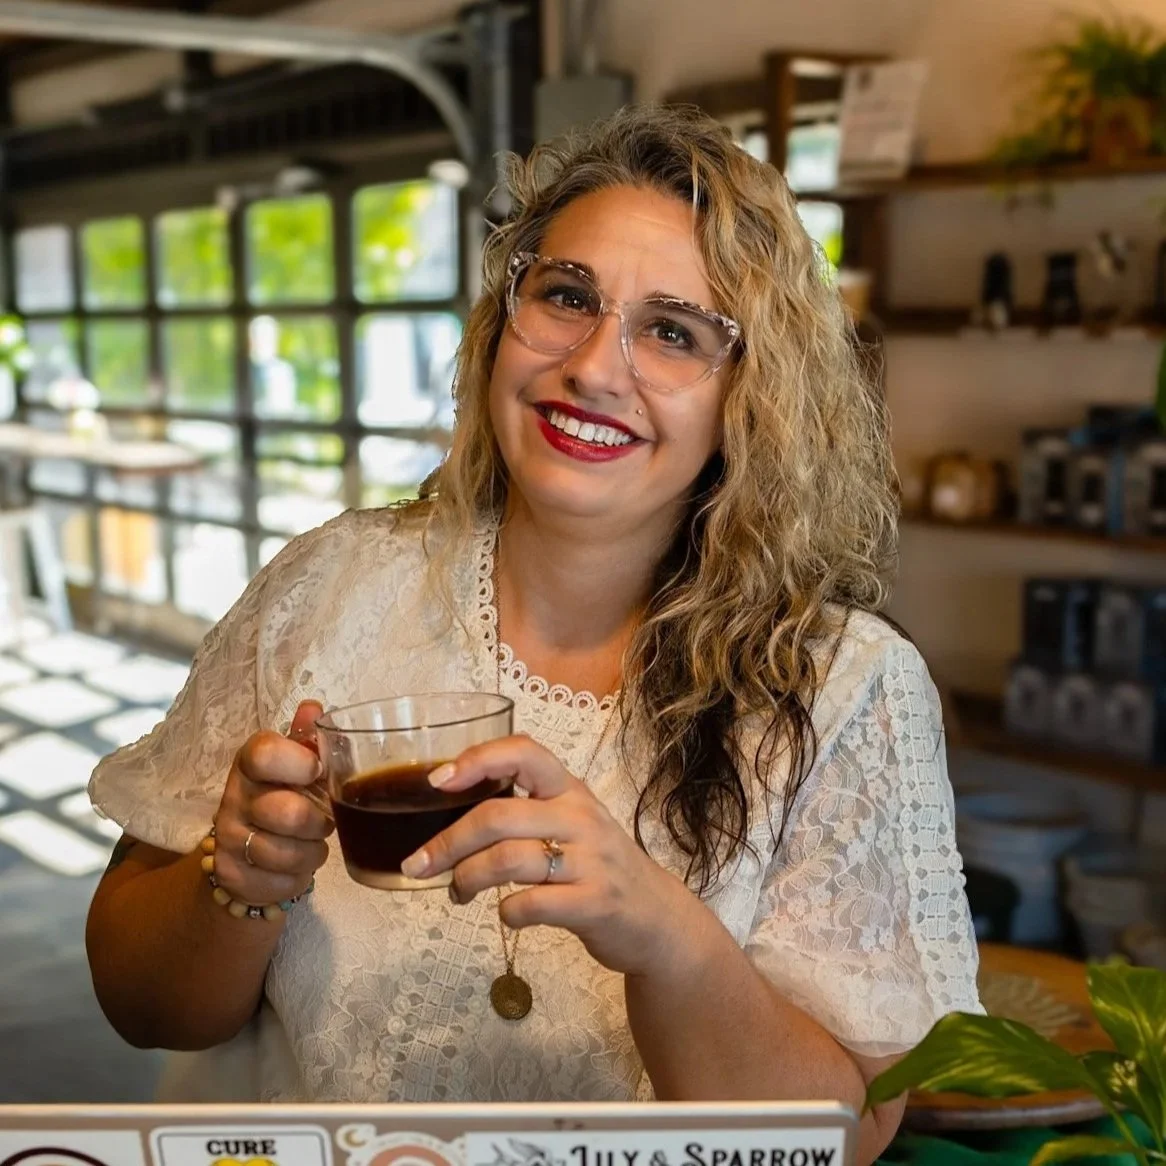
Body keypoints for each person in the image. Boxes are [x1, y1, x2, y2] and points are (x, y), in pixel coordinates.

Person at [86, 104, 981, 1166]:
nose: (595, 366)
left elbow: (846, 1131)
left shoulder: (844, 686)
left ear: (752, 400)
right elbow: (147, 1004)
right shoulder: (332, 587)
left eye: (672, 330)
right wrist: (234, 875)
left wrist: (663, 935)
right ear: (500, 321)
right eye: (566, 296)